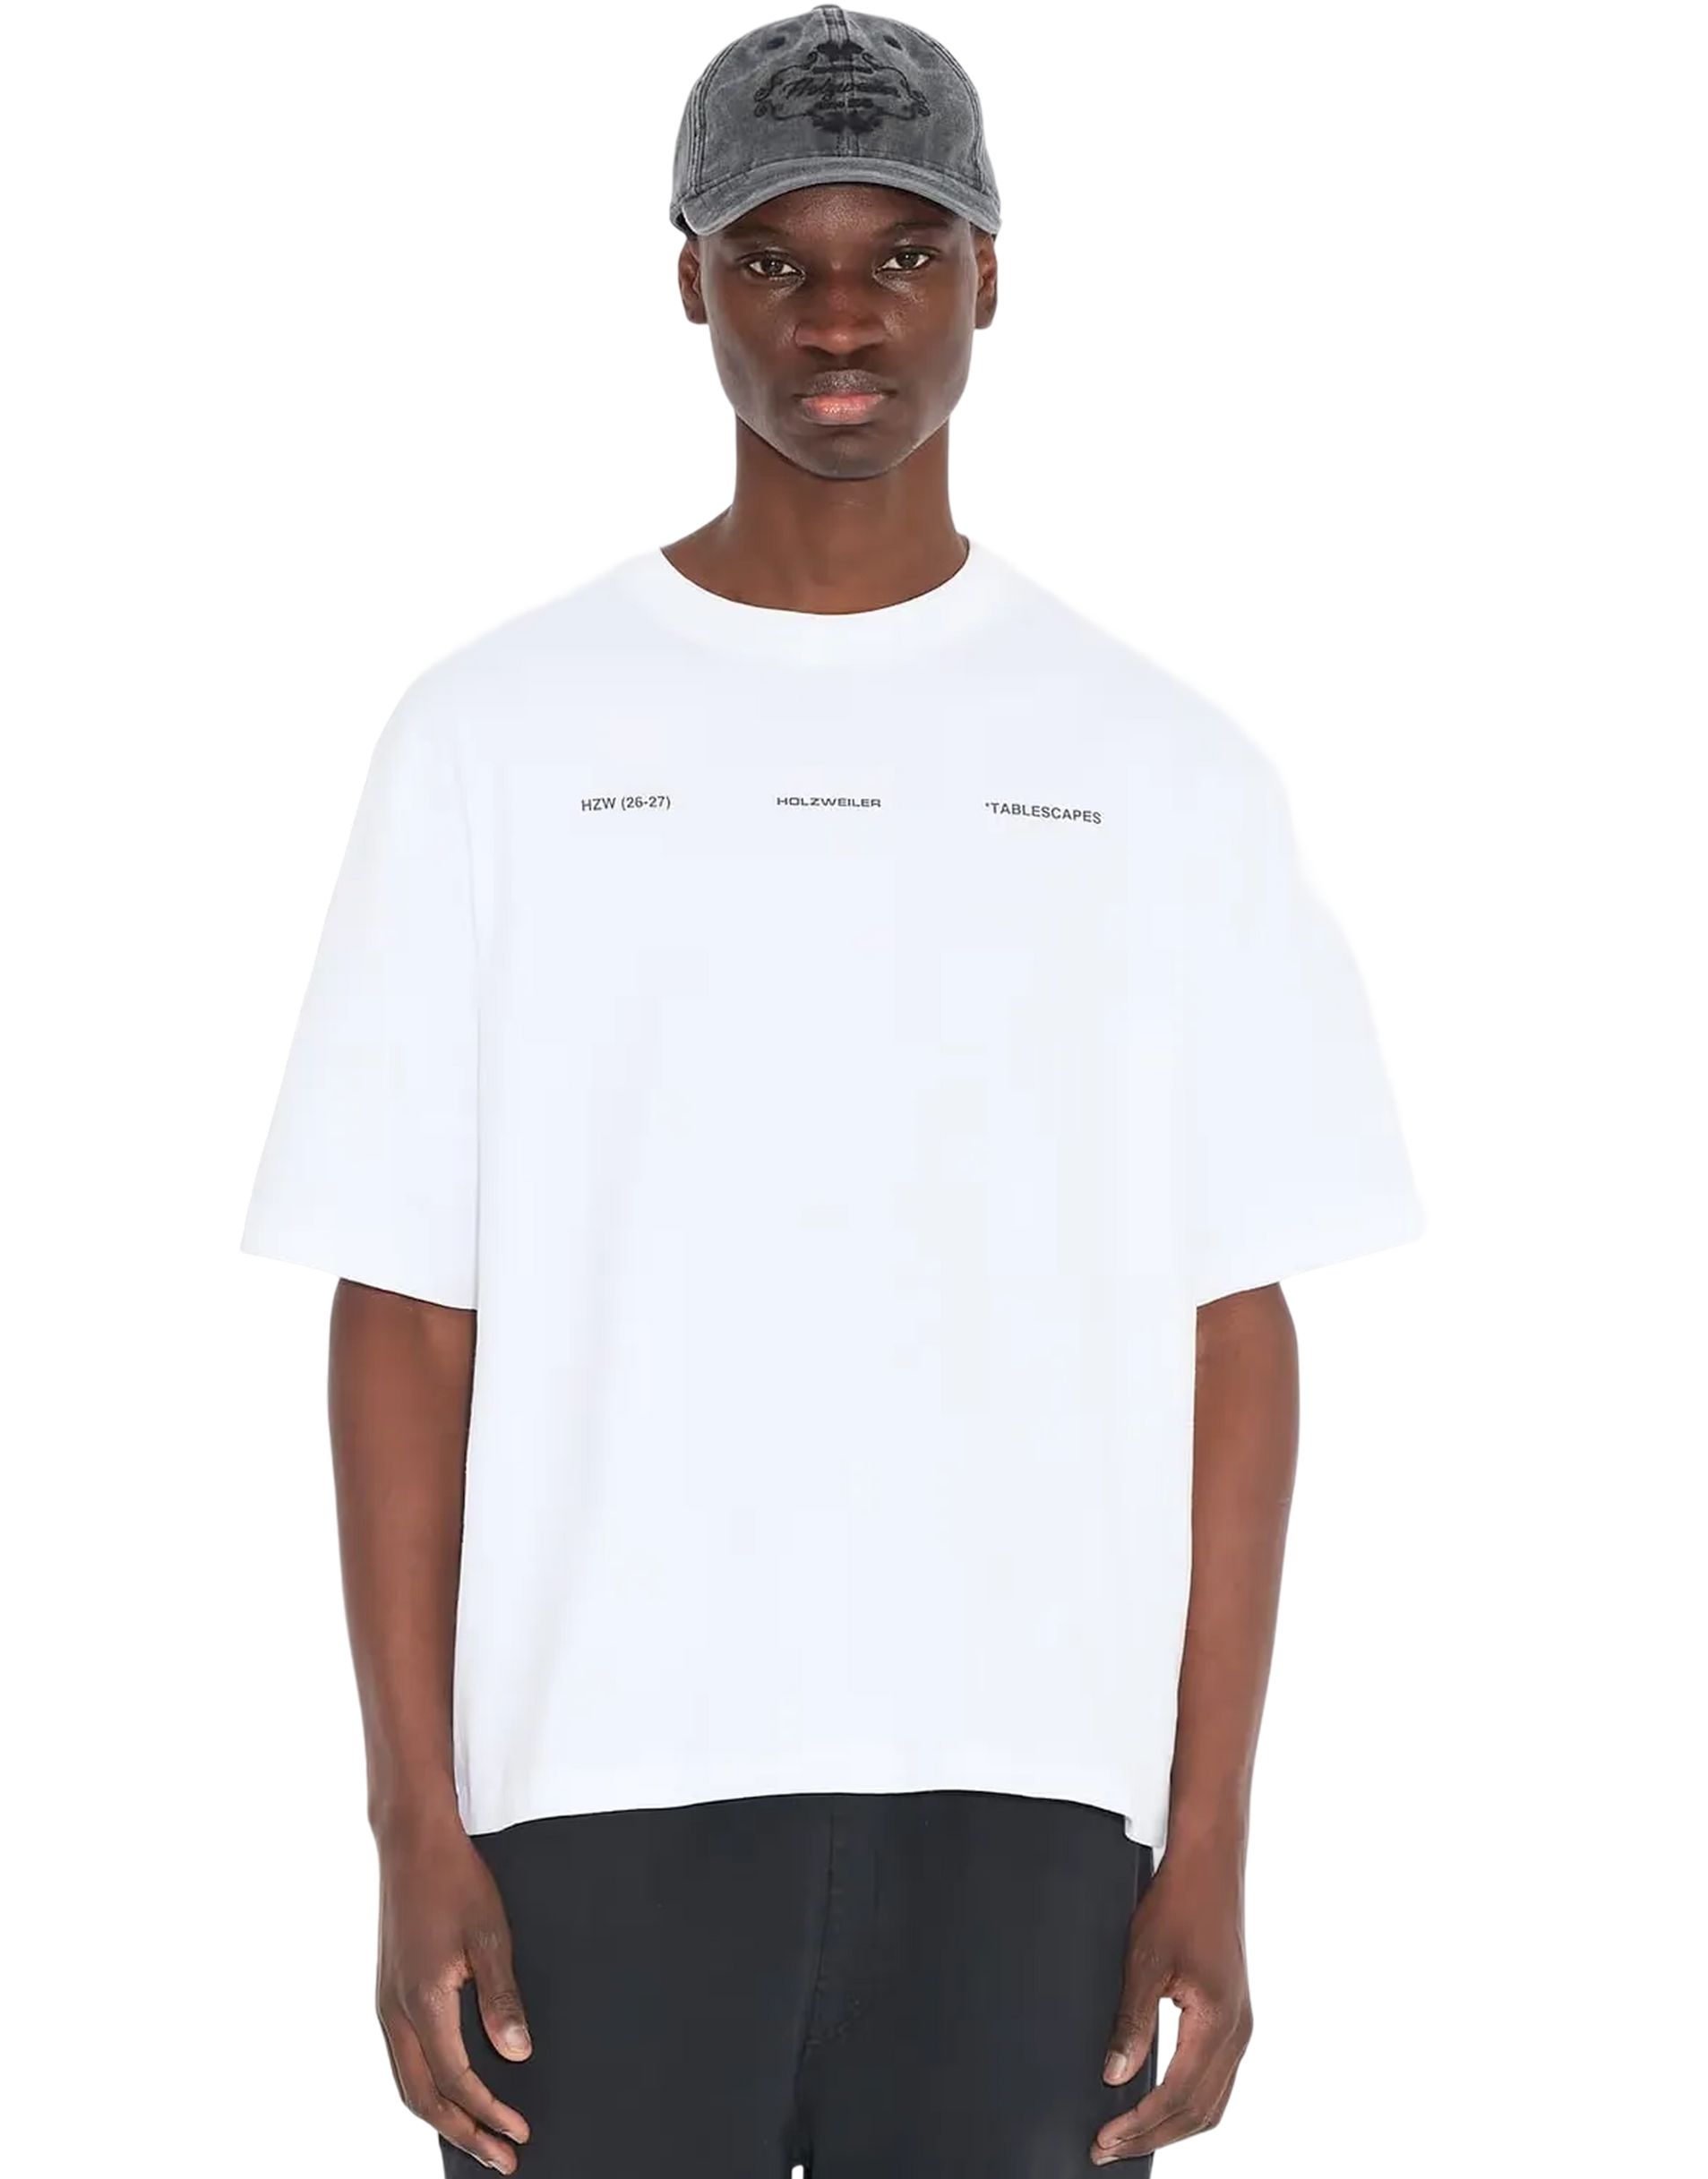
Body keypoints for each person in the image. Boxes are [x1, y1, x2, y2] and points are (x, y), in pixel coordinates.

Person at [236, 8, 1436, 2174]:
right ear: (687, 282)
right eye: (775, 258)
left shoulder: (1162, 753)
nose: (841, 318)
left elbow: (1234, 1327)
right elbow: (403, 1309)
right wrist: (411, 1825)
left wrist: (1206, 1846)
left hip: (1035, 1795)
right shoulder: (493, 726)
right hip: (585, 1781)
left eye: (902, 253)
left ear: (992, 274)